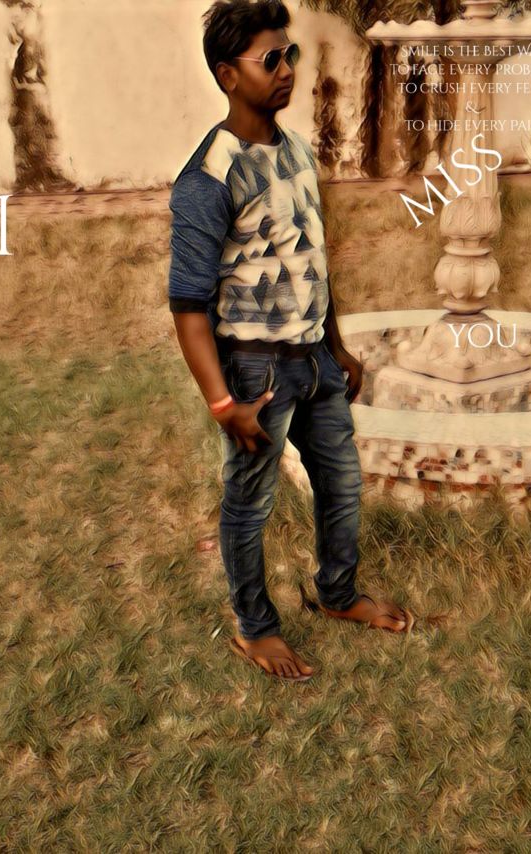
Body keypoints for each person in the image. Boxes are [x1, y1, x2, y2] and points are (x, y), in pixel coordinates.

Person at [168, 0, 414, 682]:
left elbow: (313, 261)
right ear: (228, 75)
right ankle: (254, 629)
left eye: (291, 54)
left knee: (341, 483)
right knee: (250, 504)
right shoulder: (209, 176)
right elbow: (187, 306)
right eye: (270, 59)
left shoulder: (297, 151)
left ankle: (336, 592)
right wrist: (224, 403)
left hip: (314, 361)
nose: (287, 70)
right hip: (255, 369)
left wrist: (336, 347)